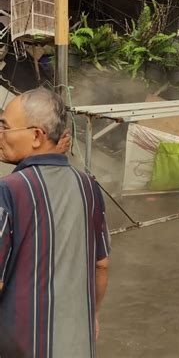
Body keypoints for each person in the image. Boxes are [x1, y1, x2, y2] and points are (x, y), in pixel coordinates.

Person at [0, 88, 110, 358]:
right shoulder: (89, 187)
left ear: (36, 136)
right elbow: (102, 264)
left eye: (4, 127)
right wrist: (93, 316)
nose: (0, 135)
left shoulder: (9, 190)